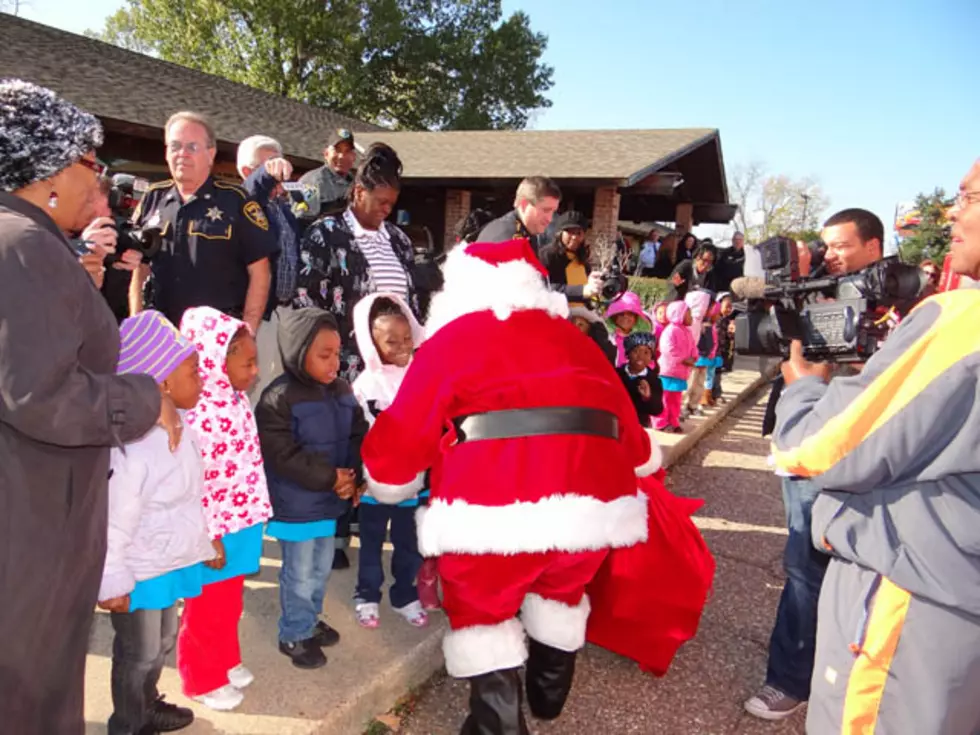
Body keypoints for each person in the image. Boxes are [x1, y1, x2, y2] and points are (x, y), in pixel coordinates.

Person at [360, 238, 660, 733]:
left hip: (491, 509)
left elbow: (404, 433)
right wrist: (639, 459)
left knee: (481, 609)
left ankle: (497, 722)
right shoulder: (576, 340)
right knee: (561, 588)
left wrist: (389, 474)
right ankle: (548, 693)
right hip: (591, 506)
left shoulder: (452, 341)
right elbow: (636, 441)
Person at [767, 159, 980, 734]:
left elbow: (818, 448)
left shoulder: (963, 320)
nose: (952, 212)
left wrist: (805, 390)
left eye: (968, 196)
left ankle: (787, 679)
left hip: (913, 597)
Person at [0, 79, 175, 735]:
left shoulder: (27, 241)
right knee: (31, 695)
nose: (99, 184)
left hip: (35, 504)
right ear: (45, 167)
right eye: (90, 165)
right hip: (32, 518)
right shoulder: (23, 246)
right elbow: (40, 395)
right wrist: (144, 395)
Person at [745, 207, 886, 720]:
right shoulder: (814, 296)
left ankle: (855, 679)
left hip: (873, 454)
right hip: (809, 446)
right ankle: (789, 679)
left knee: (868, 574)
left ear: (873, 247)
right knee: (804, 565)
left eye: (841, 245)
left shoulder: (905, 309)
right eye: (825, 245)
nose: (830, 255)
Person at [98, 311, 215, 735]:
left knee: (162, 642)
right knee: (138, 650)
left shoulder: (182, 428)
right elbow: (117, 515)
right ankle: (127, 722)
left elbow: (188, 497)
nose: (201, 379)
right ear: (160, 383)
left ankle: (148, 703)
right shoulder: (136, 447)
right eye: (193, 371)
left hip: (168, 560)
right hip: (139, 567)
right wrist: (112, 577)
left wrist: (208, 537)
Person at [255, 308, 365, 669]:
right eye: (324, 354)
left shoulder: (342, 391)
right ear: (298, 351)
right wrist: (331, 478)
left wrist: (356, 478)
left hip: (330, 503)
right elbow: (283, 455)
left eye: (337, 353)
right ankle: (294, 633)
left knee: (319, 570)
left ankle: (309, 619)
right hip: (297, 506)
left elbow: (357, 437)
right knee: (299, 572)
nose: (335, 362)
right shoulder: (278, 397)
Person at [176, 307, 273, 711]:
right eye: (247, 362)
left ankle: (225, 660)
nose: (254, 372)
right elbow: (193, 483)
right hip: (214, 530)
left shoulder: (234, 401)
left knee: (230, 601)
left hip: (242, 518)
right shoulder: (196, 414)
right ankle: (200, 678)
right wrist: (208, 533)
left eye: (255, 361)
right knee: (206, 608)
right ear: (216, 359)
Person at [132, 111, 278, 334]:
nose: (182, 154)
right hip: (162, 333)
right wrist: (137, 321)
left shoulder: (236, 201)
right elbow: (137, 266)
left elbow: (260, 272)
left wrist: (248, 333)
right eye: (175, 146)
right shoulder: (153, 198)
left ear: (211, 154)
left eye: (192, 147)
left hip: (218, 337)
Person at [295, 142, 420, 384]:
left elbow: (411, 305)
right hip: (347, 369)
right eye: (381, 201)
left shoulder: (399, 241)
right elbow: (306, 299)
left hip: (395, 373)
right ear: (360, 192)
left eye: (392, 204)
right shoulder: (326, 234)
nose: (387, 209)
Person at [350, 294, 431, 627]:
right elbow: (356, 434)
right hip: (374, 483)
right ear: (372, 344)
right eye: (391, 341)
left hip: (414, 480)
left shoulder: (423, 376)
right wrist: (359, 477)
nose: (402, 346)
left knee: (408, 545)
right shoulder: (365, 385)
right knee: (370, 544)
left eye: (407, 338)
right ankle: (367, 596)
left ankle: (405, 596)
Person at [237, 134, 301, 399]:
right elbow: (250, 194)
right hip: (255, 315)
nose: (278, 171)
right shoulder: (240, 203)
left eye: (278, 164)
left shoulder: (282, 208)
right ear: (247, 171)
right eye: (268, 165)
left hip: (282, 312)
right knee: (252, 387)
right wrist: (265, 175)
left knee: (277, 389)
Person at [477, 176, 561, 256]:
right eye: (545, 210)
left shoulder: (523, 231)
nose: (549, 219)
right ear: (524, 205)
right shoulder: (508, 239)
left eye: (553, 212)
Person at [537, 210, 603, 305]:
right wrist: (581, 291)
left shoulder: (583, 258)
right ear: (560, 233)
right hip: (557, 311)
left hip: (583, 313)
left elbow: (588, 294)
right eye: (570, 232)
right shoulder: (547, 255)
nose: (574, 237)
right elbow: (543, 287)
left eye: (579, 233)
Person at [298, 128, 357, 223]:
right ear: (326, 153)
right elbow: (300, 222)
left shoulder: (357, 185)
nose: (342, 156)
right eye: (337, 150)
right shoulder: (311, 182)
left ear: (354, 157)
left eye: (347, 151)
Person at [656, 301, 697, 433]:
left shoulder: (687, 332)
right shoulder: (670, 330)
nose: (691, 318)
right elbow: (667, 349)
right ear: (680, 314)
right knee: (664, 398)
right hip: (668, 371)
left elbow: (693, 348)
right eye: (689, 314)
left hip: (680, 372)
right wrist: (683, 359)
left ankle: (673, 421)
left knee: (676, 399)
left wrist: (694, 357)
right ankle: (661, 423)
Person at [618, 332, 663, 427]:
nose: (641, 356)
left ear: (651, 357)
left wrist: (648, 397)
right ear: (627, 354)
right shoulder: (616, 374)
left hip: (638, 426)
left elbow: (657, 410)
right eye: (636, 351)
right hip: (615, 423)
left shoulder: (654, 380)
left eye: (646, 352)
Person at [605, 291, 652, 367]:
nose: (625, 317)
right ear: (614, 317)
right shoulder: (607, 337)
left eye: (630, 314)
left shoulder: (642, 340)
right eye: (621, 314)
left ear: (636, 318)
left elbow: (649, 363)